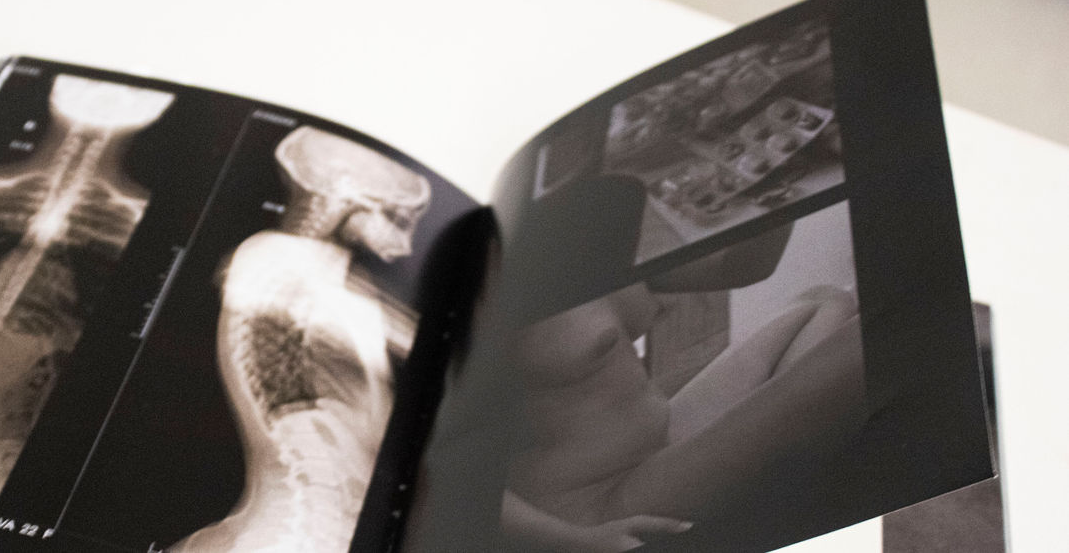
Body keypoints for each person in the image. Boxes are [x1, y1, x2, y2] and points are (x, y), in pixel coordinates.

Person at [502, 223, 866, 552]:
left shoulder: (568, 240)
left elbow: (742, 266)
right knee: (857, 347)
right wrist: (575, 541)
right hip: (590, 501)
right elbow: (463, 478)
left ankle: (783, 473)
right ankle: (785, 468)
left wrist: (785, 180)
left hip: (658, 437)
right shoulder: (487, 291)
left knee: (824, 301)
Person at [172, 126, 431, 552]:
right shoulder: (272, 260)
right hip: (298, 532)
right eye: (395, 218)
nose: (404, 245)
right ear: (344, 199)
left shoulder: (334, 281)